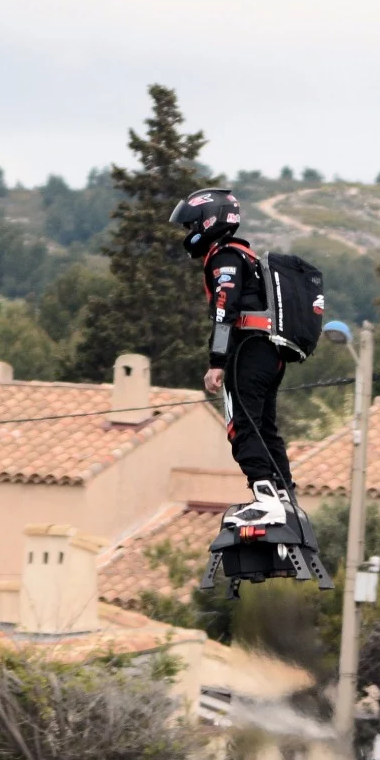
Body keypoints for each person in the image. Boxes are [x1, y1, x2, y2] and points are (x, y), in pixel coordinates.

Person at [169, 188, 293, 528]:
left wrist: (217, 361)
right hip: (270, 352)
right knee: (264, 426)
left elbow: (225, 309)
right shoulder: (245, 255)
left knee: (242, 426)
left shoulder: (224, 257)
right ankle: (283, 496)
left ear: (209, 221)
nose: (189, 232)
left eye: (191, 225)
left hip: (249, 349)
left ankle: (266, 498)